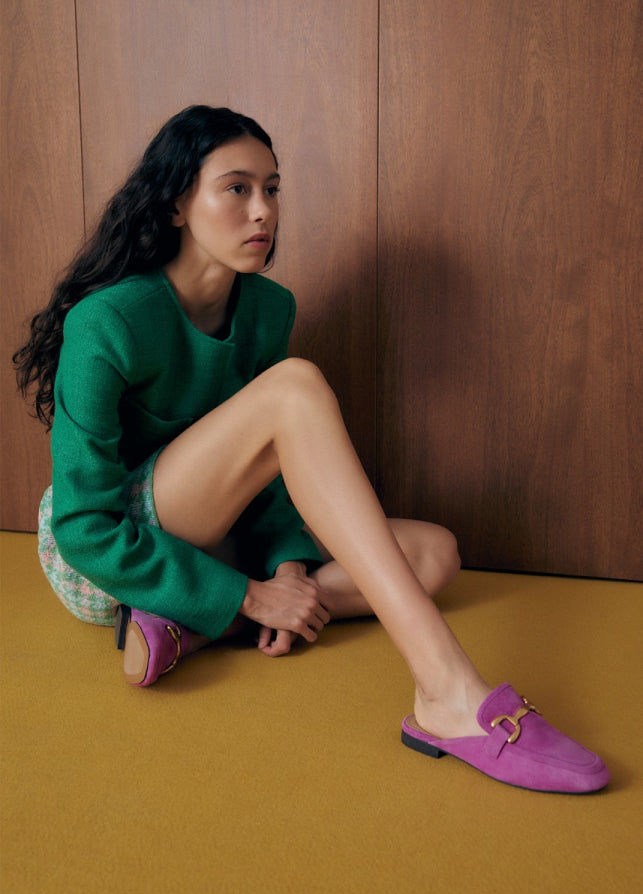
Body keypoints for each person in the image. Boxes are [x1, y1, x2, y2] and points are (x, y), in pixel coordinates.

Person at [14, 105, 609, 793]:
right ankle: (446, 692)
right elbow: (84, 528)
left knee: (434, 554)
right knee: (294, 388)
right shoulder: (108, 320)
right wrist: (250, 595)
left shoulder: (268, 309)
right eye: (236, 188)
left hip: (218, 533)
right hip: (103, 554)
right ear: (176, 204)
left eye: (272, 189)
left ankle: (189, 625)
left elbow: (271, 471)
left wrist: (286, 567)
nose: (263, 211)